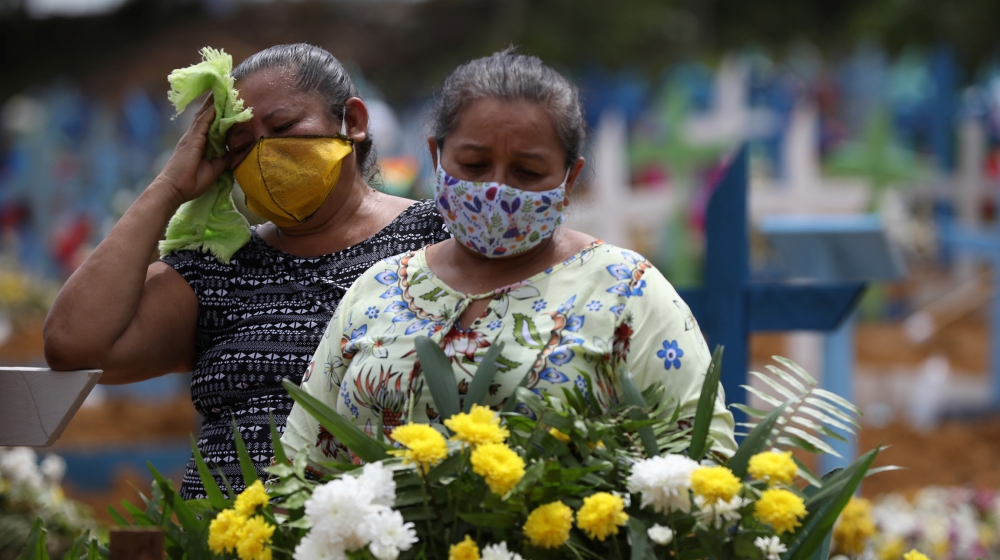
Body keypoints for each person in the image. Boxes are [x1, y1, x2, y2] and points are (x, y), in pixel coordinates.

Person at [281, 49, 736, 465]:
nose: (496, 189)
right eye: (475, 166)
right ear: (436, 158)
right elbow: (301, 466)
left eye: (527, 171)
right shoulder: (377, 290)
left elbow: (700, 461)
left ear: (569, 178)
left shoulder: (624, 289)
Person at [43, 44, 450, 499]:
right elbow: (72, 344)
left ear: (352, 122)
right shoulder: (217, 270)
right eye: (240, 146)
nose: (264, 153)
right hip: (224, 536)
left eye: (283, 127)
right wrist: (168, 187)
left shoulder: (438, 238)